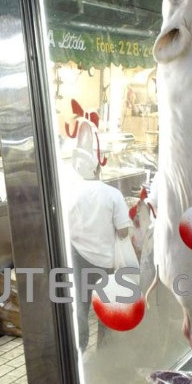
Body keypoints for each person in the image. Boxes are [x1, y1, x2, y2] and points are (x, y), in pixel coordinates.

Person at [68, 128, 132, 353]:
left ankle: (79, 348)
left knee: (81, 306)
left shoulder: (71, 193)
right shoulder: (112, 194)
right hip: (106, 262)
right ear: (97, 167)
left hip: (78, 258)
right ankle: (105, 352)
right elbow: (124, 231)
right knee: (106, 307)